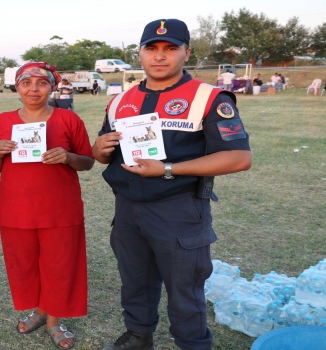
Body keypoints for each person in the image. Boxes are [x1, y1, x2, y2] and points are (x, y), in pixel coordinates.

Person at [92, 19, 252, 350]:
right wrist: (99, 149)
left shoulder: (208, 97)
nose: (160, 56)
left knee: (184, 289)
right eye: (151, 48)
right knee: (134, 280)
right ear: (140, 53)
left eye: (170, 48)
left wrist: (167, 169)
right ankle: (139, 335)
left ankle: (192, 344)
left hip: (178, 209)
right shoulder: (120, 100)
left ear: (186, 53)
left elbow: (238, 158)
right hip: (128, 209)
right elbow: (102, 152)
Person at [0, 62, 94, 349]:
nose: (34, 89)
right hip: (16, 209)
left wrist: (68, 156)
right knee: (26, 266)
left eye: (41, 83)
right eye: (27, 83)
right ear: (17, 86)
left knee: (59, 266)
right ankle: (41, 310)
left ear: (52, 86)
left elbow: (88, 162)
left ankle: (54, 319)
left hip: (59, 209)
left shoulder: (68, 120)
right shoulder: (2, 121)